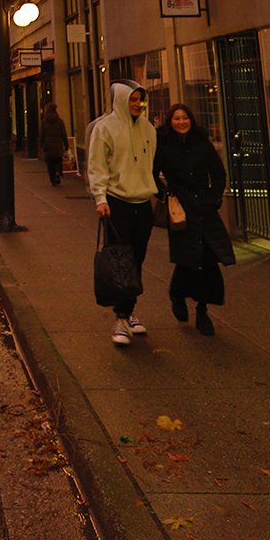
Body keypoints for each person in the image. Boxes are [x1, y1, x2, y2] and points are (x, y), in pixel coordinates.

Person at [153, 103, 235, 336]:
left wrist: (214, 198)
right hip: (181, 211)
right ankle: (178, 294)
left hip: (205, 209)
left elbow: (218, 174)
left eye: (185, 118)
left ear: (191, 120)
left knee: (207, 259)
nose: (181, 122)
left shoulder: (202, 143)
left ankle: (202, 309)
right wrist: (166, 194)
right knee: (188, 258)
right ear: (170, 122)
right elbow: (152, 175)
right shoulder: (164, 146)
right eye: (176, 118)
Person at [87, 83, 158, 346]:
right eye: (132, 100)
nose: (137, 104)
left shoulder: (148, 129)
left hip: (143, 202)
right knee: (120, 261)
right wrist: (100, 198)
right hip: (117, 203)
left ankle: (128, 312)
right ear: (121, 100)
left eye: (140, 100)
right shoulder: (105, 128)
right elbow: (97, 166)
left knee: (136, 259)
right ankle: (121, 316)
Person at [39, 100, 69, 187]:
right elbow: (63, 134)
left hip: (48, 147)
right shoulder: (60, 121)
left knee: (50, 164)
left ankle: (53, 179)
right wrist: (66, 145)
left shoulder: (44, 121)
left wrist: (41, 144)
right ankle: (57, 172)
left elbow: (42, 134)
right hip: (58, 146)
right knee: (58, 161)